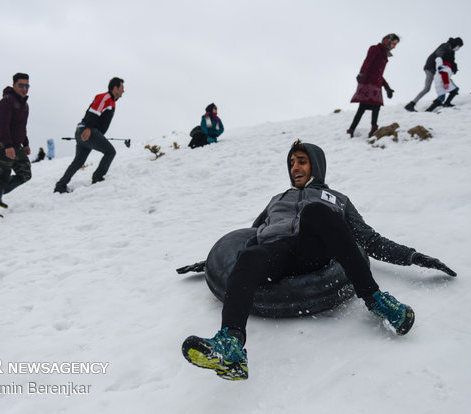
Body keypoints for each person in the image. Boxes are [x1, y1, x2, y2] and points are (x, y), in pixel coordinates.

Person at [181, 140, 456, 381]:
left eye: (301, 161)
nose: (295, 168)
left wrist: (412, 256)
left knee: (316, 212)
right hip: (276, 254)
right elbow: (248, 236)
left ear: (316, 165)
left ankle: (377, 301)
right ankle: (231, 346)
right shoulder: (277, 199)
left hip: (312, 251)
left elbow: (369, 240)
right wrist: (210, 263)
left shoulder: (338, 199)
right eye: (291, 163)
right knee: (252, 252)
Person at [54, 77, 125, 193]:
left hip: (86, 132)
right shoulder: (105, 97)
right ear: (115, 88)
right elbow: (94, 111)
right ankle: (97, 177)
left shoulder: (112, 102)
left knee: (78, 162)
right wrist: (88, 128)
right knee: (110, 152)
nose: (123, 91)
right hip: (87, 131)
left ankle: (60, 186)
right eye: (122, 88)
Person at [0, 73, 32, 218]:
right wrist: (8, 146)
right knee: (3, 176)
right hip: (3, 144)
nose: (24, 88)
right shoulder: (6, 102)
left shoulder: (25, 105)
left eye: (27, 85)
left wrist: (25, 143)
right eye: (21, 85)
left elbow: (21, 127)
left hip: (17, 145)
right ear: (14, 85)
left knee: (25, 174)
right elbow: (3, 125)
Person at [347, 34, 398, 138]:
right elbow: (368, 61)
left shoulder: (384, 54)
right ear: (387, 41)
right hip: (368, 83)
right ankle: (361, 130)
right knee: (367, 107)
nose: (394, 46)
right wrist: (362, 72)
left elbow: (379, 74)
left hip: (376, 84)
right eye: (393, 43)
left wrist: (387, 87)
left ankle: (357, 129)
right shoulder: (375, 49)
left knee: (372, 107)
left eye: (395, 44)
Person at [404, 37, 464, 112]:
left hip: (437, 70)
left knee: (436, 86)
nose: (458, 48)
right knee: (428, 88)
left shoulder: (451, 51)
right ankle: (411, 104)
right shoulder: (445, 46)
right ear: (456, 44)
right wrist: (442, 65)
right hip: (431, 68)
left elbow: (451, 60)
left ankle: (441, 102)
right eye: (459, 46)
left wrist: (453, 66)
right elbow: (439, 55)